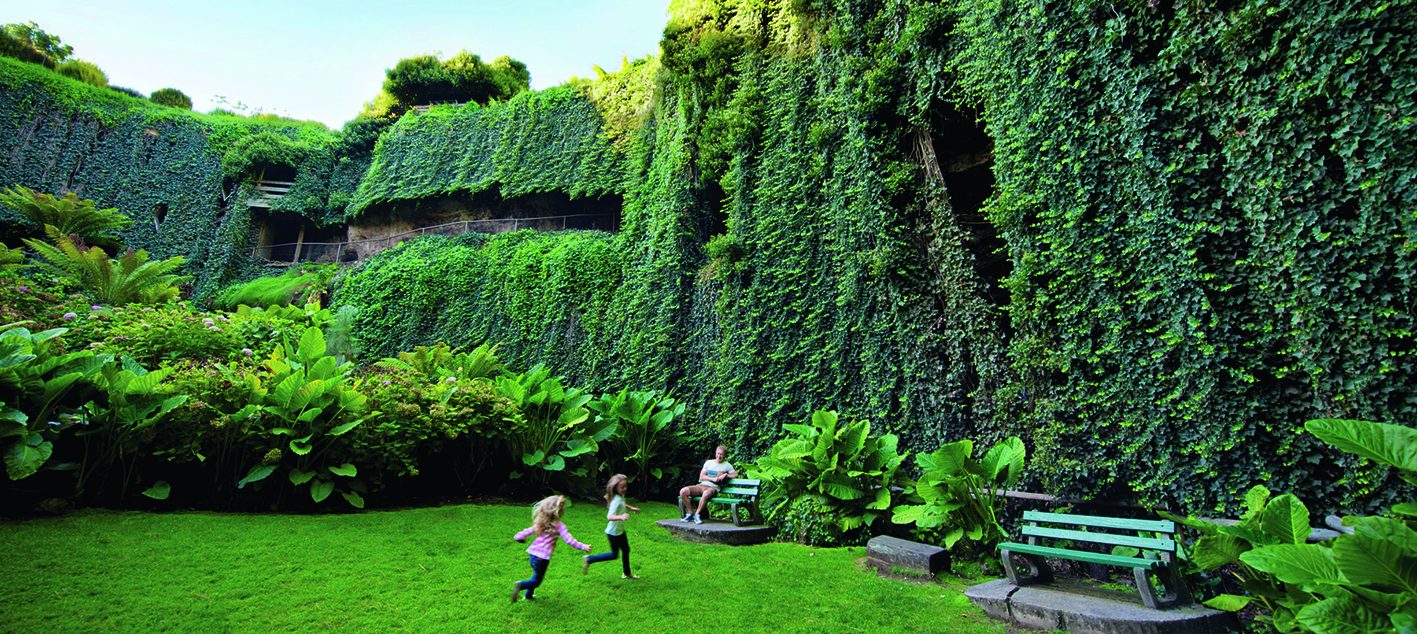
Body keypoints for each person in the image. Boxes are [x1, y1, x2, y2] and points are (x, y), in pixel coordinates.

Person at [510, 495, 592, 602]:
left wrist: (518, 537)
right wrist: (583, 546)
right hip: (542, 559)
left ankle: (528, 596)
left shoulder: (541, 522)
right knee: (537, 581)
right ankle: (521, 585)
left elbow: (528, 531)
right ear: (559, 511)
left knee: (535, 575)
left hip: (532, 555)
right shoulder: (559, 525)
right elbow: (569, 540)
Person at [582, 473, 641, 579]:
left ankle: (627, 573)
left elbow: (622, 503)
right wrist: (621, 516)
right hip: (613, 533)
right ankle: (589, 559)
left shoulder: (619, 496)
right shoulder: (616, 501)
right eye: (622, 487)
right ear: (615, 488)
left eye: (625, 486)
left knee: (626, 550)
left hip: (620, 531)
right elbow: (609, 516)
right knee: (614, 555)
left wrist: (631, 508)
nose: (624, 489)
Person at [678, 444, 737, 524]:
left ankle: (697, 514)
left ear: (724, 456)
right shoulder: (709, 462)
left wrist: (726, 475)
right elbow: (702, 476)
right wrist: (712, 479)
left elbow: (735, 475)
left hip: (713, 488)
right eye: (718, 453)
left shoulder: (727, 465)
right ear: (715, 453)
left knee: (706, 493)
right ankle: (691, 513)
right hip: (701, 486)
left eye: (721, 454)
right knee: (683, 491)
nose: (719, 456)